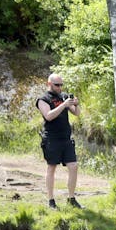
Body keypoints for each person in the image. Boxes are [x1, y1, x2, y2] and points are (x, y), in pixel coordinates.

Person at [37, 73, 81, 209]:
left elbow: (76, 113)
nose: (60, 87)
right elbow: (49, 116)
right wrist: (63, 105)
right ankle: (51, 200)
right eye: (57, 85)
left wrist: (76, 104)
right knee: (51, 168)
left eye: (61, 84)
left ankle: (71, 198)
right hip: (51, 138)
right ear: (49, 84)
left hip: (66, 138)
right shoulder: (42, 99)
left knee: (73, 166)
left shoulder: (64, 96)